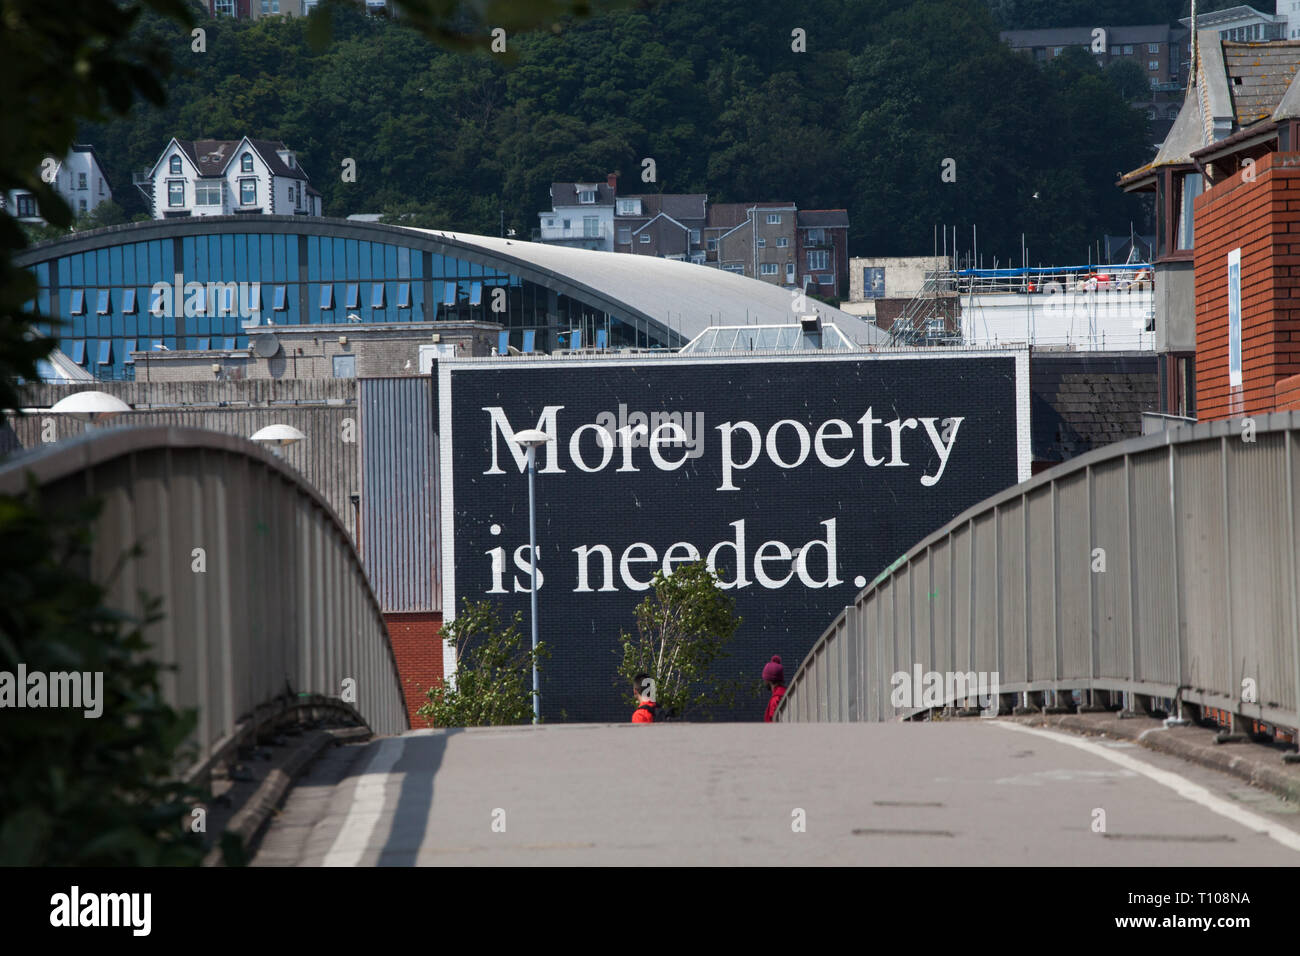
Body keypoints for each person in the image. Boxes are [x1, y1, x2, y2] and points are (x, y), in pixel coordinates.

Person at [762, 655, 786, 722]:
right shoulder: (787, 694)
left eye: (765, 679)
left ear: (769, 680)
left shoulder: (776, 699)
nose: (764, 681)